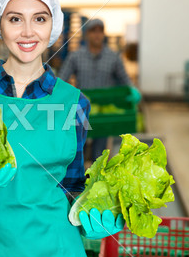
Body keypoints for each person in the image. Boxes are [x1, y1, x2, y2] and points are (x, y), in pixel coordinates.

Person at [0, 0, 124, 257]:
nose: (27, 31)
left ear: (53, 27)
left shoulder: (74, 102)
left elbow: (72, 184)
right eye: (15, 19)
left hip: (58, 256)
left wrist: (96, 208)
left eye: (39, 19)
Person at [58, 18, 140, 161]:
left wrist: (133, 90)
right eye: (93, 31)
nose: (97, 34)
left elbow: (124, 79)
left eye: (100, 31)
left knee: (100, 153)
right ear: (86, 35)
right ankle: (78, 180)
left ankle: (95, 180)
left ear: (103, 34)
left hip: (103, 112)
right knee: (78, 150)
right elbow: (61, 79)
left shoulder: (113, 57)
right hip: (81, 109)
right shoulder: (75, 56)